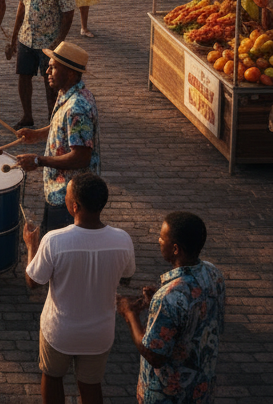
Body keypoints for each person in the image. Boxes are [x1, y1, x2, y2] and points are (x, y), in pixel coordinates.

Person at [24, 174, 135, 404]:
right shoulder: (123, 240)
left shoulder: (54, 240)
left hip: (60, 332)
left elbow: (33, 281)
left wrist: (31, 246)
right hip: (100, 333)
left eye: (67, 194)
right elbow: (127, 276)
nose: (64, 197)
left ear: (75, 206)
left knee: (52, 377)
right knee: (91, 385)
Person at [117, 212, 225, 404]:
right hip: (200, 389)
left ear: (175, 249)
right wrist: (157, 304)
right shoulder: (214, 273)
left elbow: (154, 355)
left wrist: (130, 314)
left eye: (162, 238)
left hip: (169, 395)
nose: (159, 241)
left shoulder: (169, 297)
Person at [14, 40, 100, 234]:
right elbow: (64, 127)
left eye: (53, 68)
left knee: (59, 247)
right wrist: (37, 134)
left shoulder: (77, 107)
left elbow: (81, 157)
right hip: (57, 191)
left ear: (70, 74)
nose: (47, 72)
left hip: (70, 199)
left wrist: (38, 160)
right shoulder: (68, 93)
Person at [7, 0, 76, 129]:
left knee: (51, 83)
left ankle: (52, 120)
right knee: (23, 77)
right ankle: (27, 116)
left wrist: (59, 41)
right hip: (26, 38)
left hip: (48, 42)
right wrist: (14, 37)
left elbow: (68, 14)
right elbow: (21, 7)